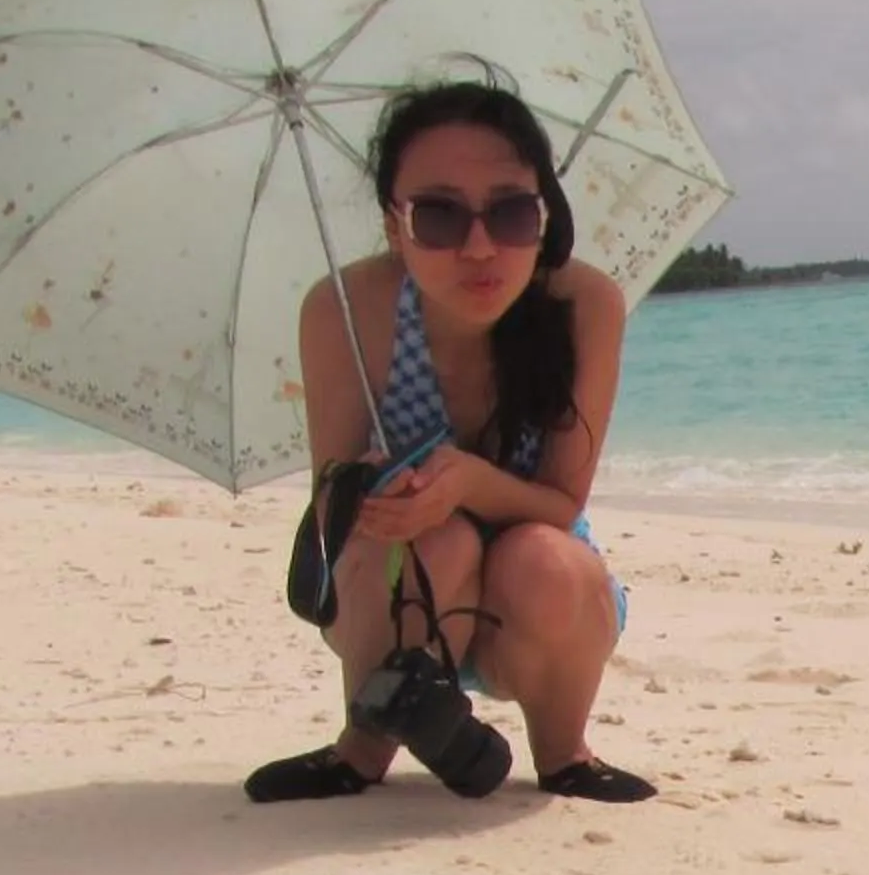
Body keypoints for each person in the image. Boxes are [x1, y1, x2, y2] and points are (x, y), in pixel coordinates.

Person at [245, 77, 654, 805]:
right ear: (394, 224)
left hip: (544, 608)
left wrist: (464, 482)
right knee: (441, 544)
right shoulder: (347, 307)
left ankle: (565, 753)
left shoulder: (583, 305)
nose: (478, 246)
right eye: (437, 216)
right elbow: (330, 505)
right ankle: (363, 746)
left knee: (544, 558)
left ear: (544, 213)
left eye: (509, 213)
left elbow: (561, 505)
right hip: (397, 583)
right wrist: (381, 489)